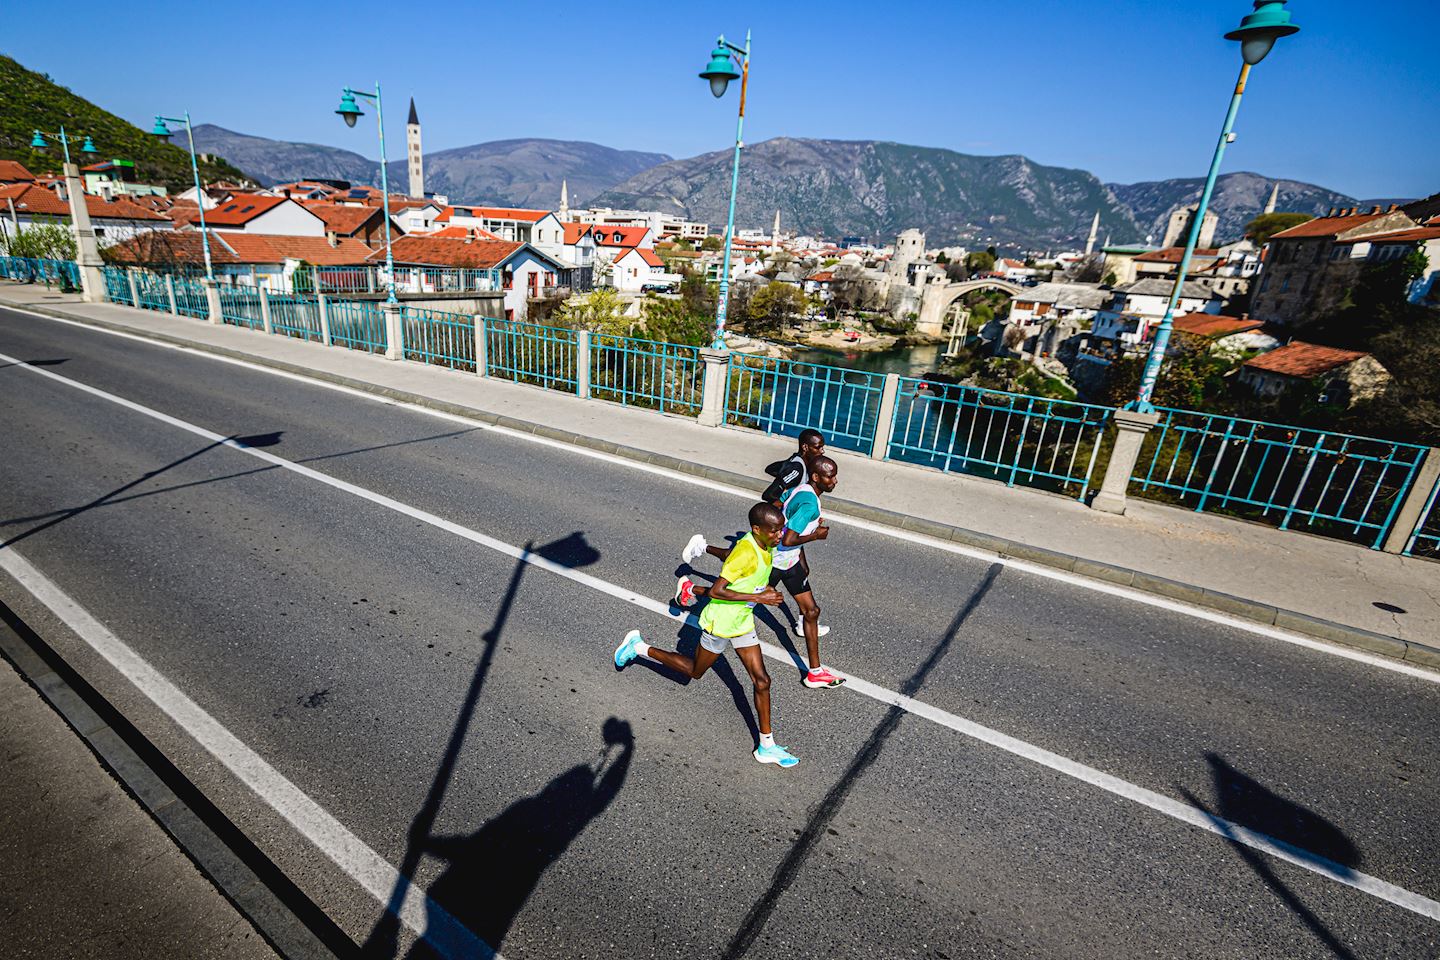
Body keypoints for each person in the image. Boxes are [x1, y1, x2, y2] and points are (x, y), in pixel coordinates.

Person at [614, 502, 799, 768]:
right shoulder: (745, 552)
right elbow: (717, 591)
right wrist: (759, 596)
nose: (779, 535)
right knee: (693, 672)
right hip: (721, 623)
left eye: (781, 530)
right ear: (756, 529)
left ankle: (766, 746)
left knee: (762, 680)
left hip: (742, 621)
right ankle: (639, 647)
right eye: (774, 531)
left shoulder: (765, 543)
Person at [679, 456, 844, 690]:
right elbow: (788, 538)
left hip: (791, 562)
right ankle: (692, 587)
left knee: (811, 611)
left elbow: (780, 504)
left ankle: (815, 673)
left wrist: (798, 530)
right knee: (736, 592)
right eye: (830, 476)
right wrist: (815, 534)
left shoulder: (803, 490)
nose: (835, 480)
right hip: (775, 562)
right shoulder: (808, 504)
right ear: (816, 477)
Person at [759, 429, 825, 506]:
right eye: (817, 447)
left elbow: (770, 469)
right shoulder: (796, 469)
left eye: (822, 447)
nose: (822, 451)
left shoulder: (800, 462)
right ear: (805, 447)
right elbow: (769, 495)